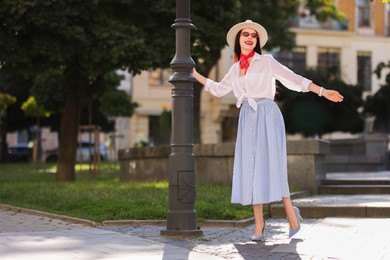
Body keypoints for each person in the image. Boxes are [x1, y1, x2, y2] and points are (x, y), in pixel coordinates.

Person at [192, 20, 344, 241]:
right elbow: (217, 89)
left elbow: (293, 79)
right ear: (239, 39)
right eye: (246, 34)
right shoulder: (234, 69)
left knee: (274, 163)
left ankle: (291, 212)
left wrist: (322, 91)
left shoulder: (267, 61)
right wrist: (195, 73)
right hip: (247, 117)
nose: (250, 37)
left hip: (267, 114)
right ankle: (259, 224)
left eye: (254, 35)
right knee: (252, 167)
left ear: (257, 41)